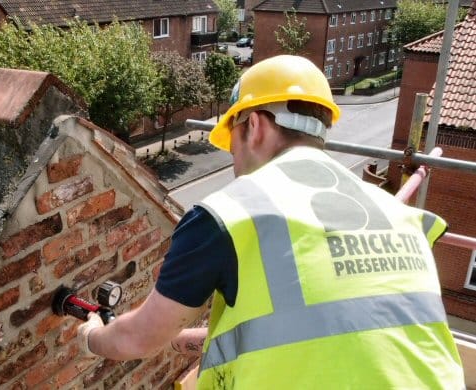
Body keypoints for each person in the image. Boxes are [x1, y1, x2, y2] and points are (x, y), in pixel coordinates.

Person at [78, 55, 465, 389]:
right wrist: (180, 338)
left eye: (233, 145)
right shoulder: (392, 211)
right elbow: (320, 327)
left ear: (255, 126)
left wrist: (92, 336)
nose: (235, 164)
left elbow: (137, 340)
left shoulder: (230, 214)